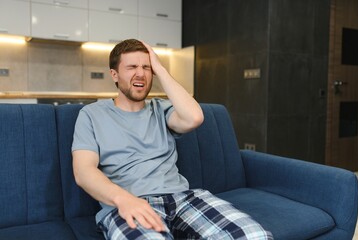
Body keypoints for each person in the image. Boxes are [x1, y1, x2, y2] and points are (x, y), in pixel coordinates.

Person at [72, 39, 273, 240]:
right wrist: (123, 199)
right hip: (130, 205)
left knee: (255, 235)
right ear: (114, 74)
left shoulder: (161, 109)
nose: (140, 73)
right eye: (132, 67)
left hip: (183, 199)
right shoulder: (91, 114)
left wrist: (160, 68)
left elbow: (194, 117)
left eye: (146, 67)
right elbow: (83, 171)